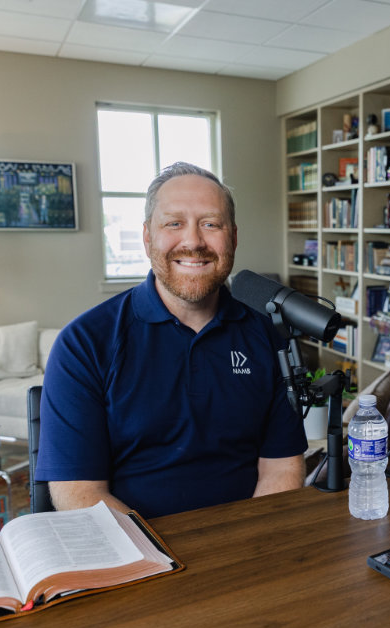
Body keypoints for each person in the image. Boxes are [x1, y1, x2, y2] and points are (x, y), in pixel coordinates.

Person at [36, 162, 307, 518]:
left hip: (245, 537)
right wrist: (163, 551)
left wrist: (243, 543)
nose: (193, 241)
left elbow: (282, 468)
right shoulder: (84, 343)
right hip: (132, 544)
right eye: (174, 223)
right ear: (147, 236)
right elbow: (78, 491)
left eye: (210, 224)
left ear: (234, 237)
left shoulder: (269, 337)